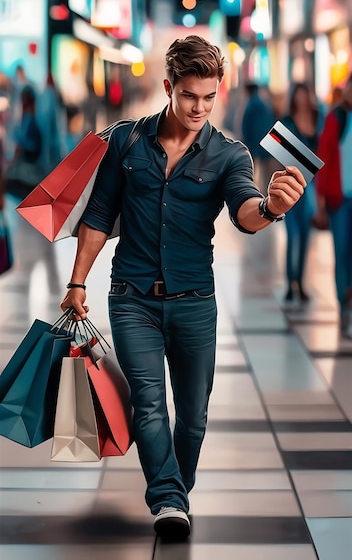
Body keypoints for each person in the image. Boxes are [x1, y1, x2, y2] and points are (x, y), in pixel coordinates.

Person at [59, 35, 306, 540]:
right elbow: (100, 215)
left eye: (209, 97)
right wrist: (77, 280)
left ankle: (176, 493)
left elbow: (244, 211)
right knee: (149, 402)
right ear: (169, 87)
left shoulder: (229, 155)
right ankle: (168, 500)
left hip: (195, 302)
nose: (199, 107)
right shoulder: (126, 142)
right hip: (132, 298)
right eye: (190, 95)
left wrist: (273, 208)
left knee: (193, 417)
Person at [315, 74, 352, 337]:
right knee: (341, 253)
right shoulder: (335, 118)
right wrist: (320, 201)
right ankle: (344, 304)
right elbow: (324, 160)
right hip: (340, 199)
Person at [281, 83, 320, 302]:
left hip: (311, 189)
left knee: (305, 237)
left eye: (306, 95)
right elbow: (281, 155)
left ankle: (301, 282)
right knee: (293, 235)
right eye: (299, 95)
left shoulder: (317, 118)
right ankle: (290, 282)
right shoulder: (287, 122)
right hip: (290, 185)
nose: (303, 100)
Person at [241, 82, 276, 193]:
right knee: (266, 174)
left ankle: (257, 195)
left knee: (253, 174)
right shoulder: (265, 105)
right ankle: (268, 194)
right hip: (267, 145)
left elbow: (245, 127)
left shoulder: (250, 105)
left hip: (254, 146)